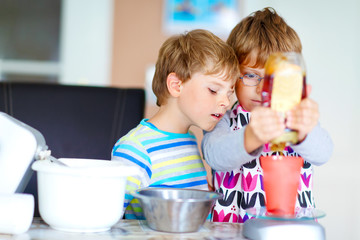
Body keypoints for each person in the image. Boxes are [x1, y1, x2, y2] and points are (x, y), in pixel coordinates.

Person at [201, 7, 333, 223]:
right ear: (234, 76)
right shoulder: (225, 118)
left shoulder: (295, 118)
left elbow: (323, 153)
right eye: (252, 75)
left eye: (274, 78)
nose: (263, 89)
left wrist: (303, 132)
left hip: (291, 233)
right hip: (234, 232)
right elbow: (214, 155)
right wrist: (252, 136)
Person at [111, 29, 240, 219]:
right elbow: (107, 218)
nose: (226, 102)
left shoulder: (188, 140)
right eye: (213, 90)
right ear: (176, 85)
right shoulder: (136, 149)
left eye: (229, 92)